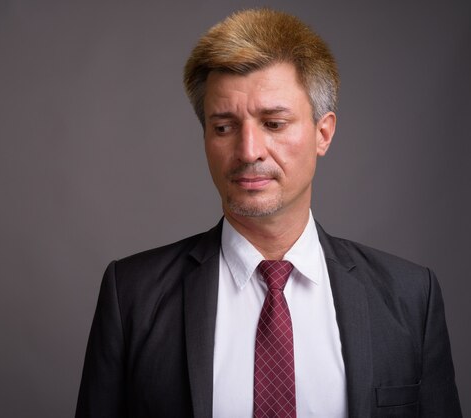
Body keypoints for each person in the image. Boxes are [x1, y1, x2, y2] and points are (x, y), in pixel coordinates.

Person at [75, 8, 461, 418]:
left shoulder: (409, 296)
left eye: (274, 124)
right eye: (223, 127)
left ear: (323, 133)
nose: (248, 151)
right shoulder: (132, 294)